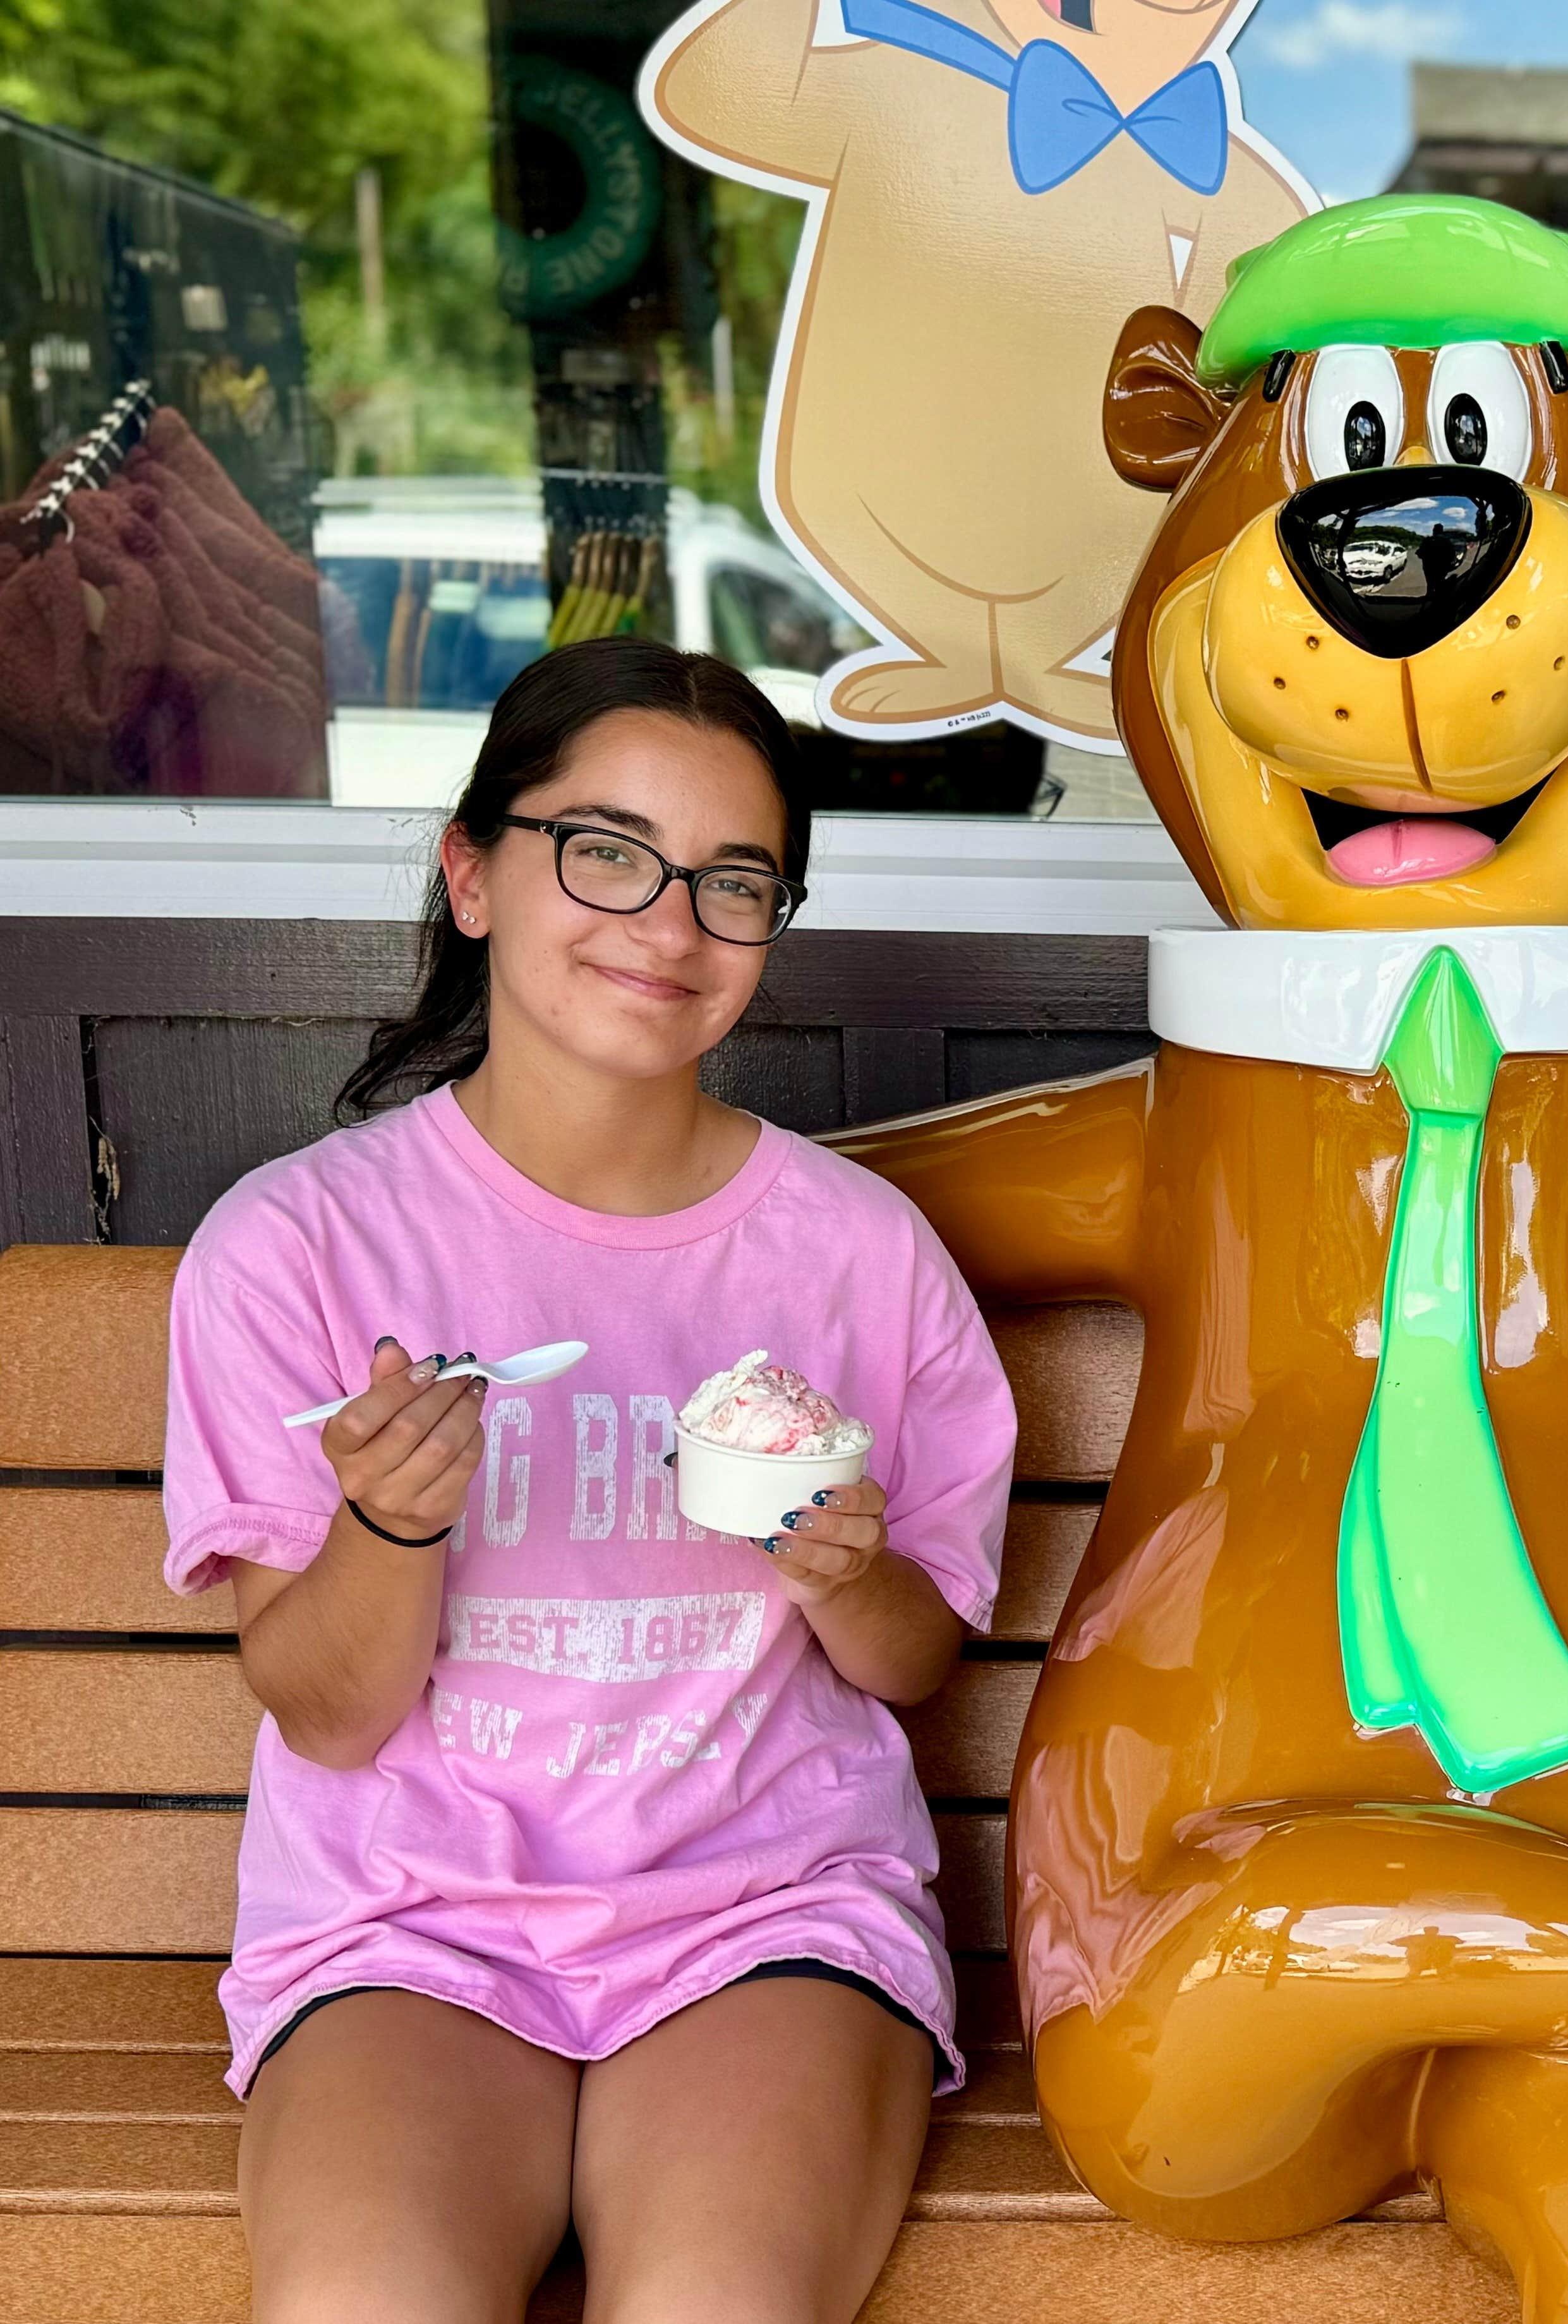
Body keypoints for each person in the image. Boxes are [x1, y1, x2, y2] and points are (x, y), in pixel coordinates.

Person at [162, 638, 1016, 2322]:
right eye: (607, 851)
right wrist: (390, 1524)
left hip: (766, 1915)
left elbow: (917, 1662)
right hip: (409, 1931)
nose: (670, 925)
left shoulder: (858, 1256)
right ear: (474, 874)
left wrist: (849, 1575)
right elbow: (327, 1712)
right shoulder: (296, 1245)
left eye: (734, 881)